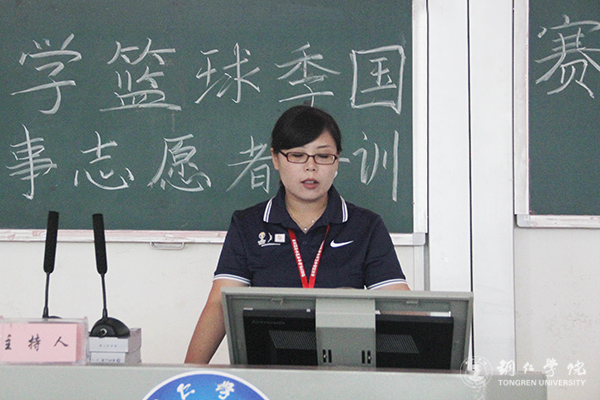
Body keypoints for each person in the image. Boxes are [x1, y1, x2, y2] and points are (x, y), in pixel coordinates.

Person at [185, 105, 409, 364]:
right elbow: (219, 305)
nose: (311, 167)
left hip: (344, 369)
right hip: (268, 371)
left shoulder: (366, 226)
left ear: (337, 160)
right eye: (297, 155)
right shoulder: (248, 225)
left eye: (323, 156)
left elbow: (399, 303)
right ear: (276, 158)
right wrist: (186, 375)